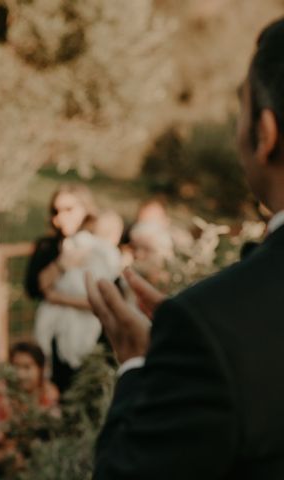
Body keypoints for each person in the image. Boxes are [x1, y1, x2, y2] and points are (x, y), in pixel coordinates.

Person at [86, 17, 284, 479]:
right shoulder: (208, 325)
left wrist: (139, 364)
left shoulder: (214, 326)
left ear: (266, 132)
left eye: (242, 110)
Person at [24, 184, 97, 392]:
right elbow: (34, 288)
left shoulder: (96, 246)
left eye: (69, 209)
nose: (61, 216)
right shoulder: (47, 246)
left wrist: (57, 297)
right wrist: (62, 264)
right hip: (53, 337)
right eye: (56, 211)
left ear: (85, 209)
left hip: (89, 337)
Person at [0, 341, 58, 478]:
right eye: (16, 367)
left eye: (27, 367)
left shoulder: (49, 393)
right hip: (2, 450)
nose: (21, 374)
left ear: (40, 369)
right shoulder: (3, 391)